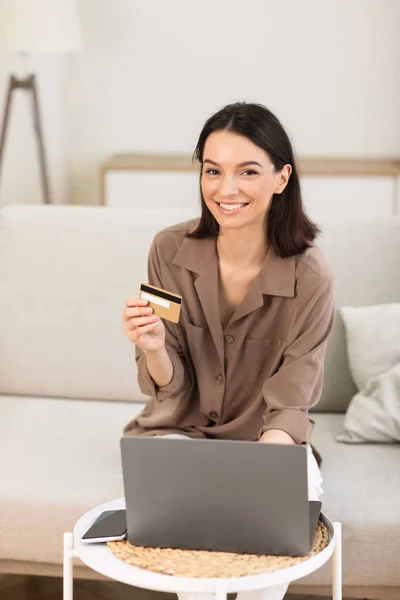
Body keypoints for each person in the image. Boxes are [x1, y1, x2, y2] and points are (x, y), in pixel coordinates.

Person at [122, 102, 335, 600]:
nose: (226, 189)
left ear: (281, 178)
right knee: (198, 573)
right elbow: (168, 388)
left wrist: (252, 485)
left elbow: (290, 405)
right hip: (179, 435)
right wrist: (153, 347)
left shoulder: (311, 274)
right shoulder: (167, 250)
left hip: (270, 444)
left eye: (248, 172)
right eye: (212, 171)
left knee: (269, 543)